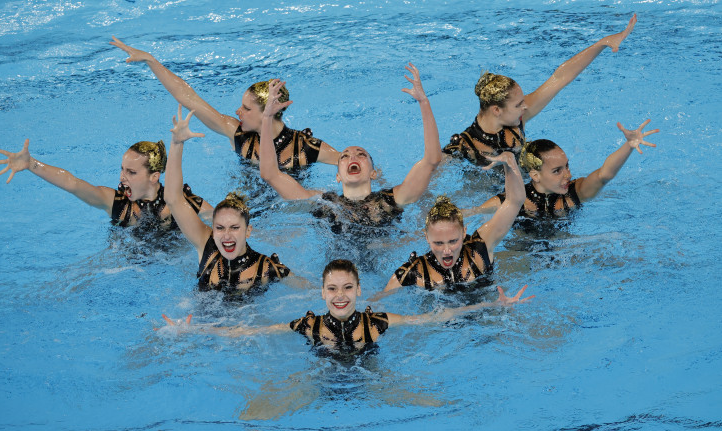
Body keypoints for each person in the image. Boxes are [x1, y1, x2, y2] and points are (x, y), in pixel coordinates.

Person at [160, 259, 533, 350]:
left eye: (347, 288)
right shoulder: (307, 325)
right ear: (322, 293)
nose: (340, 295)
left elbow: (434, 318)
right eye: (333, 289)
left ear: (358, 291)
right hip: (322, 374)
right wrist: (192, 329)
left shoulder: (379, 320)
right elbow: (248, 330)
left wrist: (489, 306)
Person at [110, 37, 340, 170]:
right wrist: (152, 61)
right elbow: (189, 98)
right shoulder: (236, 132)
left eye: (247, 109)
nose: (237, 112)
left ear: (268, 112)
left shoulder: (306, 147)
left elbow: (354, 166)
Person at [258, 64, 442, 228]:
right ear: (338, 176)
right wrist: (266, 118)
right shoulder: (325, 204)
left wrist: (424, 102)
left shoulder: (391, 200)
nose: (352, 157)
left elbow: (431, 161)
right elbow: (270, 174)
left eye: (361, 154)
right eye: (344, 156)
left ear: (373, 173)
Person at [443, 14, 638, 166]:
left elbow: (560, 78)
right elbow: (429, 173)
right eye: (518, 104)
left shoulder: (517, 119)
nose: (525, 107)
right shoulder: (463, 147)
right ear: (496, 110)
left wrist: (603, 43)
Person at [165, 105, 291, 292]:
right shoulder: (206, 246)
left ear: (248, 231)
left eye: (234, 228)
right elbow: (173, 199)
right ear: (212, 229)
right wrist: (176, 144)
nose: (226, 236)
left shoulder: (266, 269)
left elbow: (312, 291)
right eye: (220, 228)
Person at [381, 150, 524, 292]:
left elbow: (514, 202)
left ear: (464, 233)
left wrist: (509, 163)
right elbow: (376, 306)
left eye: (453, 241)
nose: (447, 251)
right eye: (438, 243)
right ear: (427, 238)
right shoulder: (414, 274)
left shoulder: (481, 248)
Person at [0, 138, 211, 230]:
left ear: (154, 177)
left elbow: (220, 221)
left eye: (131, 172)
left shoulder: (181, 203)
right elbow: (72, 183)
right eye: (122, 169)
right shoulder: (115, 203)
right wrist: (31, 164)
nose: (122, 177)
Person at [472, 119, 658, 219]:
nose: (567, 175)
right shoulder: (514, 199)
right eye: (557, 171)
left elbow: (604, 175)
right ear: (535, 175)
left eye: (566, 166)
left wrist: (629, 145)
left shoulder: (574, 192)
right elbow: (473, 213)